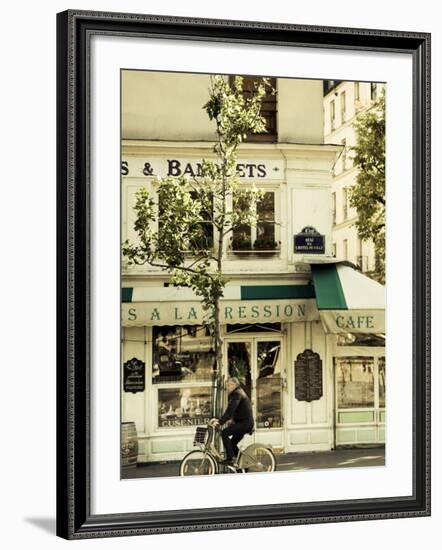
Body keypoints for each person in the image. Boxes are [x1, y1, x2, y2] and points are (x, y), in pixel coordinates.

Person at [215, 377, 254, 465]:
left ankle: (231, 458)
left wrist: (220, 422)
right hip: (244, 423)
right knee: (232, 444)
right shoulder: (238, 393)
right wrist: (231, 421)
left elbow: (230, 411)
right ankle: (242, 464)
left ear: (234, 385)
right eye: (227, 385)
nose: (227, 388)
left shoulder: (237, 394)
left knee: (224, 433)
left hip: (245, 424)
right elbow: (238, 411)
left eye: (229, 385)